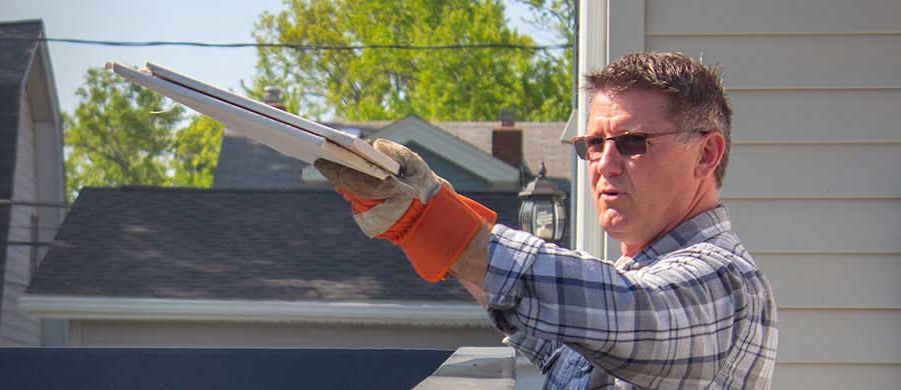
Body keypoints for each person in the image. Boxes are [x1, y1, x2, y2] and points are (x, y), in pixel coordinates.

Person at [315, 52, 777, 389]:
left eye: (632, 142)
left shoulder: (725, 280)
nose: (605, 164)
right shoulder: (626, 286)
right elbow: (550, 330)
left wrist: (432, 220)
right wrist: (421, 218)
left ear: (706, 153)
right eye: (593, 145)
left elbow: (628, 312)